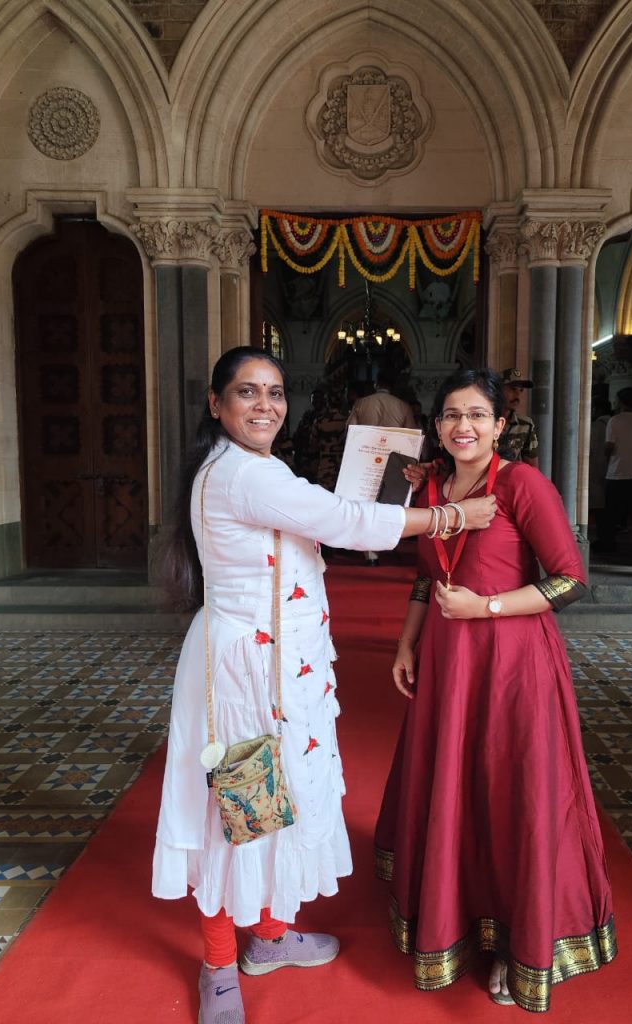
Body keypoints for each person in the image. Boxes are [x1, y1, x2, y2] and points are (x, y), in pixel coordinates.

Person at [153, 347, 496, 1024]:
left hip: (283, 664)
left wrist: (402, 481)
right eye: (247, 393)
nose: (265, 406)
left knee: (284, 798)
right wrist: (451, 515)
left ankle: (271, 938)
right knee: (241, 809)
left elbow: (329, 508)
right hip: (245, 671)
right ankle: (220, 964)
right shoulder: (239, 475)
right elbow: (343, 523)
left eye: (276, 393)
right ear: (217, 405)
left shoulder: (256, 466)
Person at [374, 368, 616, 1013]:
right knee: (457, 787)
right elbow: (428, 578)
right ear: (436, 426)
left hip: (513, 663)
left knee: (511, 792)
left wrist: (490, 609)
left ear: (500, 425)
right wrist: (405, 642)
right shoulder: (430, 487)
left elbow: (570, 579)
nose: (464, 426)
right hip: (448, 663)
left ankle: (519, 941)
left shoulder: (522, 484)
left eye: (477, 414)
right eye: (451, 415)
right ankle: (453, 915)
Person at [347, 370, 419, 565]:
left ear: (377, 384)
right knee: (388, 501)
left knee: (366, 502)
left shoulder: (362, 403)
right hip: (393, 459)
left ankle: (370, 553)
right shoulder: (402, 405)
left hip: (366, 457)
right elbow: (412, 436)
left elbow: (350, 430)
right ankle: (385, 543)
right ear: (392, 386)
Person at [599, 387, 632, 556]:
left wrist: (608, 457)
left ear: (621, 402)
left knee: (611, 512)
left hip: (617, 472)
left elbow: (609, 446)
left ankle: (608, 543)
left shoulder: (615, 421)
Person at [347, 369, 417, 430]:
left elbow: (350, 429)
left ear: (376, 383)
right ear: (393, 385)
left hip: (367, 444)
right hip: (393, 444)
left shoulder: (360, 403)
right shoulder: (403, 406)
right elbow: (412, 434)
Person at [496, 367, 539, 466]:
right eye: (513, 389)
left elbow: (532, 468)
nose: (517, 395)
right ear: (497, 390)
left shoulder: (525, 425)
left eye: (521, 390)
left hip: (509, 479)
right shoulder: (483, 421)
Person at [588, 397, 612, 549]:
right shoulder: (614, 422)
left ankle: (604, 538)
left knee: (599, 506)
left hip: (598, 468)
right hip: (613, 469)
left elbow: (590, 450)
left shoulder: (596, 426)